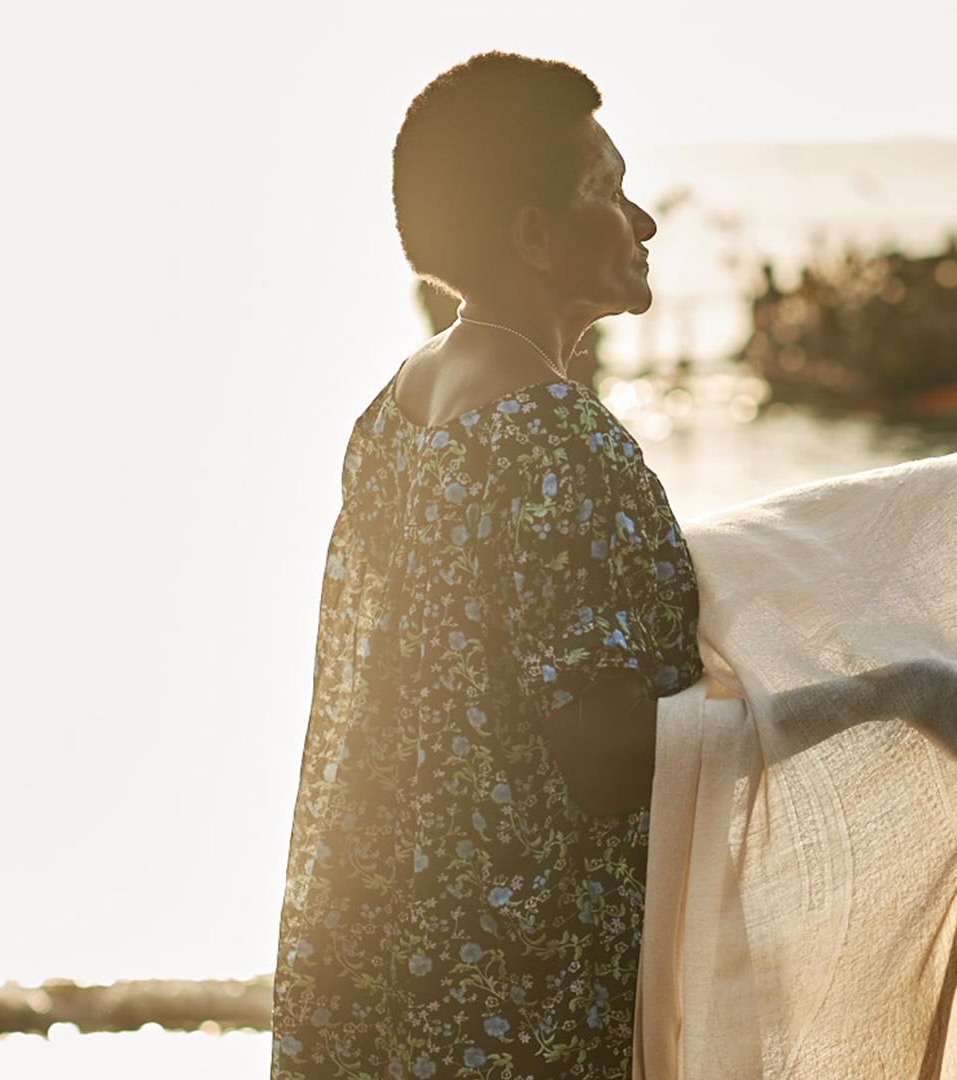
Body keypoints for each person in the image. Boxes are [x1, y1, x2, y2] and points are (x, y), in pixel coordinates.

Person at [271, 52, 703, 1080]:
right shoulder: (554, 437)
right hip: (519, 1005)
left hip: (384, 973)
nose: (642, 222)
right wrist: (847, 705)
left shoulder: (395, 411)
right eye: (607, 190)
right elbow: (601, 759)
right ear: (534, 237)